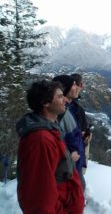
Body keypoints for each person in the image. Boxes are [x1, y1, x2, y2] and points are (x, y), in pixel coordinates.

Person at [16, 80, 84, 214]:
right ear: (46, 103)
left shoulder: (51, 131)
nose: (65, 99)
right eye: (59, 96)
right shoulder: (40, 140)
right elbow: (38, 198)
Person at [52, 75, 86, 191]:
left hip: (75, 164)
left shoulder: (73, 109)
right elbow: (56, 143)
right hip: (68, 169)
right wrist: (68, 160)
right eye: (73, 85)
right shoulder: (59, 114)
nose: (77, 87)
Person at [70, 73, 92, 175]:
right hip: (75, 156)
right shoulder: (75, 108)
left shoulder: (71, 106)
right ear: (81, 85)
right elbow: (80, 134)